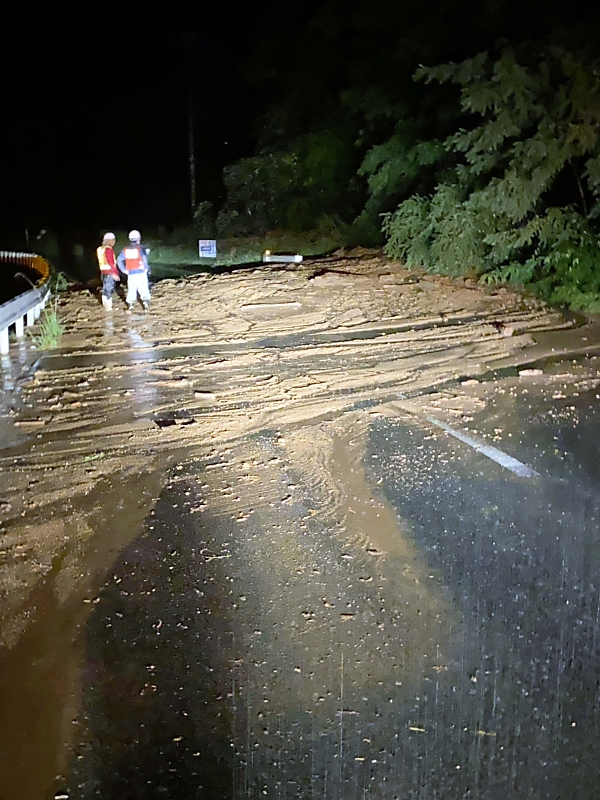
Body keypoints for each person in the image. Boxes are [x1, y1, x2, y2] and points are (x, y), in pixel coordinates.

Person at [117, 230, 151, 312]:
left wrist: (124, 270)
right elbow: (144, 259)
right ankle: (145, 303)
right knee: (143, 288)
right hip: (141, 272)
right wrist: (147, 268)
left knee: (131, 289)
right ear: (138, 239)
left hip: (131, 273)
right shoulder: (141, 248)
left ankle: (131, 304)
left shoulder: (125, 249)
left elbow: (119, 260)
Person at [96, 232, 120, 311]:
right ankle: (108, 308)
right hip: (109, 272)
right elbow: (111, 262)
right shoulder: (108, 250)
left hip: (103, 272)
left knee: (105, 289)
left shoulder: (100, 249)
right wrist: (115, 273)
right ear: (109, 240)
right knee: (108, 290)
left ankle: (105, 305)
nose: (114, 242)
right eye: (113, 240)